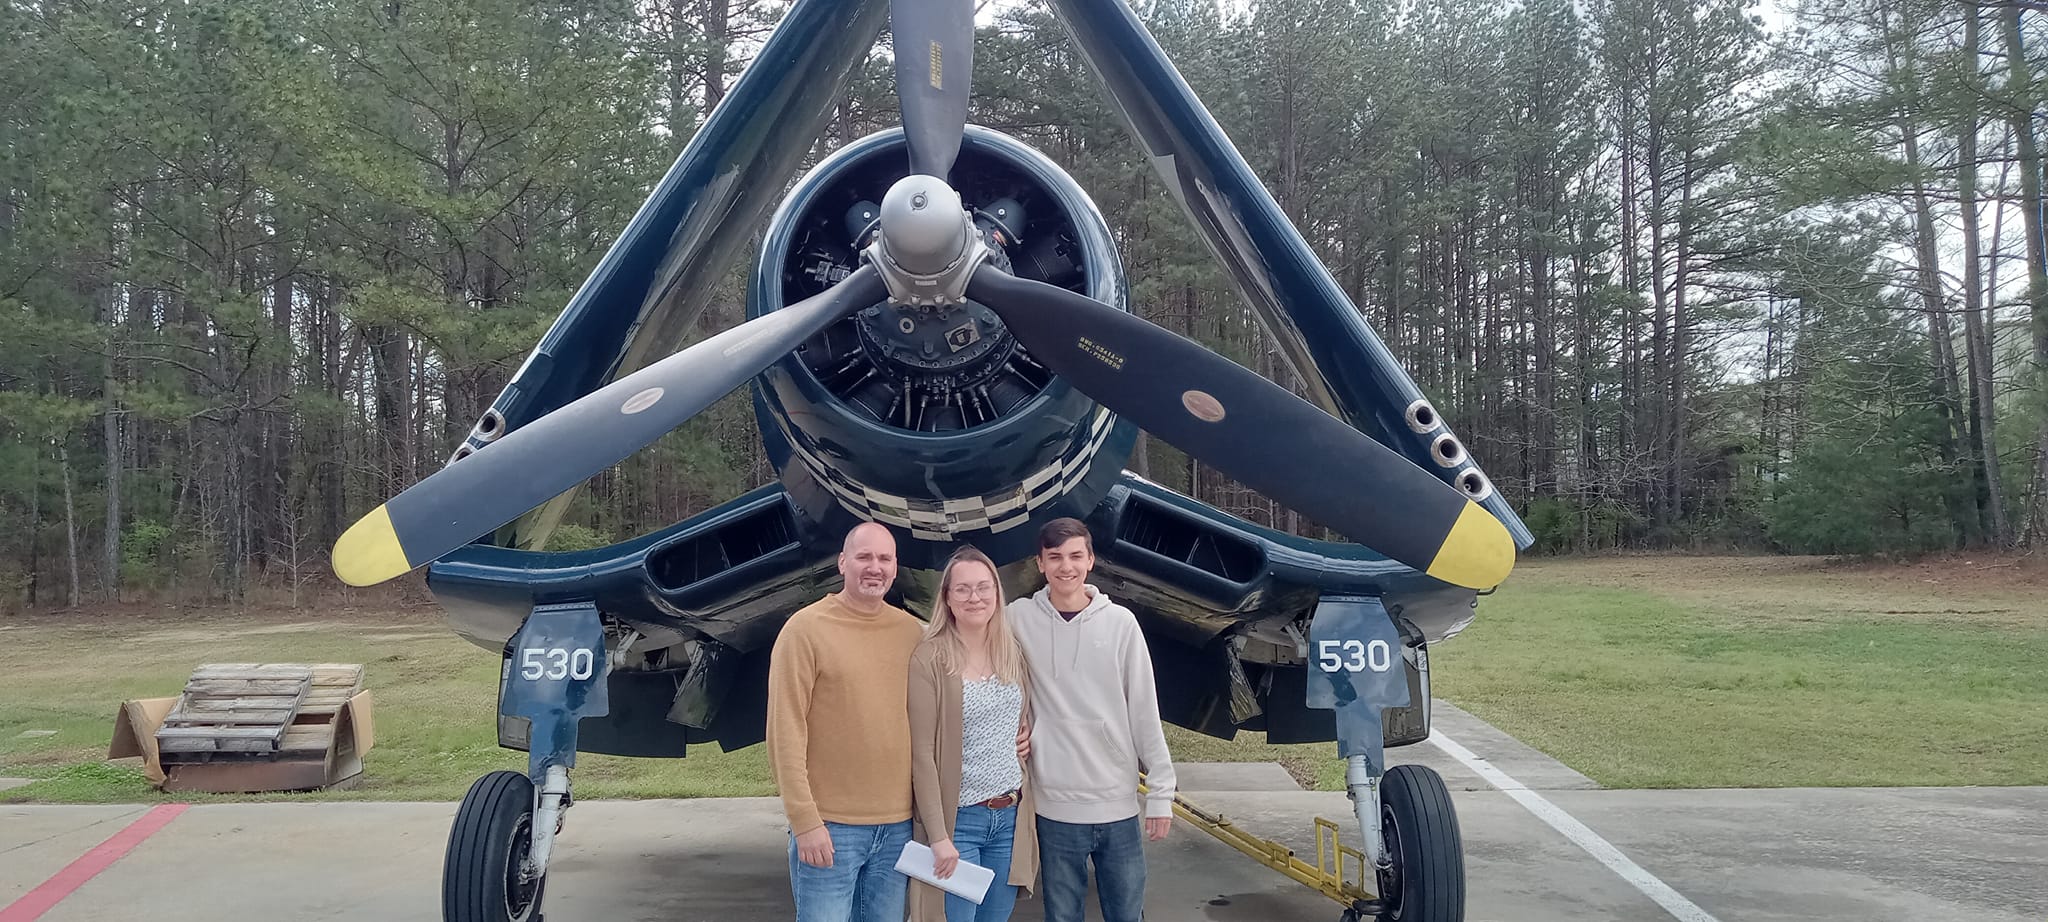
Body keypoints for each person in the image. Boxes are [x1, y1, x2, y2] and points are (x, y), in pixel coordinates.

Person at [1007, 517, 1176, 922]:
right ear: (1041, 563)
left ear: (1091, 560)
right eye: (1055, 557)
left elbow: (1144, 709)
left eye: (1075, 556)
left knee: (1126, 914)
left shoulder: (1120, 624)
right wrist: (1014, 728)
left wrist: (1161, 793)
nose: (1066, 566)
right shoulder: (1018, 619)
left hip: (1116, 806)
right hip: (1055, 808)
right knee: (1062, 916)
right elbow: (982, 666)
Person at [767, 521, 926, 922]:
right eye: (864, 557)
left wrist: (1016, 731)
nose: (875, 567)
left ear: (895, 567)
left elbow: (951, 704)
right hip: (831, 828)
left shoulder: (911, 632)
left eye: (884, 558)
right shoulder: (804, 630)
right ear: (842, 563)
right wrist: (805, 821)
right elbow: (784, 730)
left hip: (897, 828)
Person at [908, 545, 1041, 922]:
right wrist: (938, 836)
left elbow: (1021, 716)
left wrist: (1025, 734)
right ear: (947, 598)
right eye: (962, 588)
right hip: (959, 822)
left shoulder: (1012, 652)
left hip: (1009, 817)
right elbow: (922, 755)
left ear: (997, 594)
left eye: (984, 587)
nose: (974, 597)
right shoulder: (930, 659)